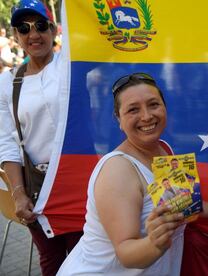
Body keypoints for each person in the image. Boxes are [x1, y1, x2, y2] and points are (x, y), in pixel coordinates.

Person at [57, 72, 208, 275]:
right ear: (118, 119)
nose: (147, 116)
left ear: (165, 108)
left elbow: (184, 206)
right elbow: (126, 254)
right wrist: (153, 243)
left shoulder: (165, 150)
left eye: (153, 104)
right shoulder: (117, 170)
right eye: (133, 110)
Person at [0, 1, 83, 275]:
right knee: (51, 263)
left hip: (79, 182)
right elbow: (8, 143)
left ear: (54, 29)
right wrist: (19, 194)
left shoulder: (71, 65)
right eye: (24, 28)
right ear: (16, 35)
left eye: (41, 26)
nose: (33, 34)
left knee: (86, 261)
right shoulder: (8, 82)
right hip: (38, 189)